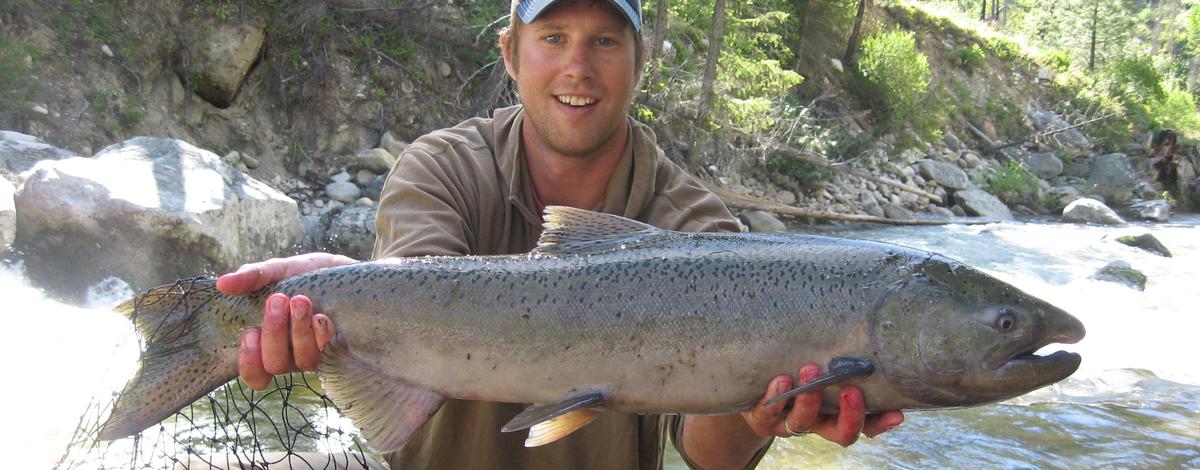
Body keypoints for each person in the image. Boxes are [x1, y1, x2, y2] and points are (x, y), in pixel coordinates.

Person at [215, 0, 904, 468]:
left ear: (641, 59)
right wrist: (326, 297)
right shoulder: (443, 166)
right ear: (510, 53)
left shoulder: (698, 230)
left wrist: (763, 415)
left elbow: (706, 453)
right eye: (554, 38)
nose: (579, 66)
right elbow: (419, 303)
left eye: (605, 40)